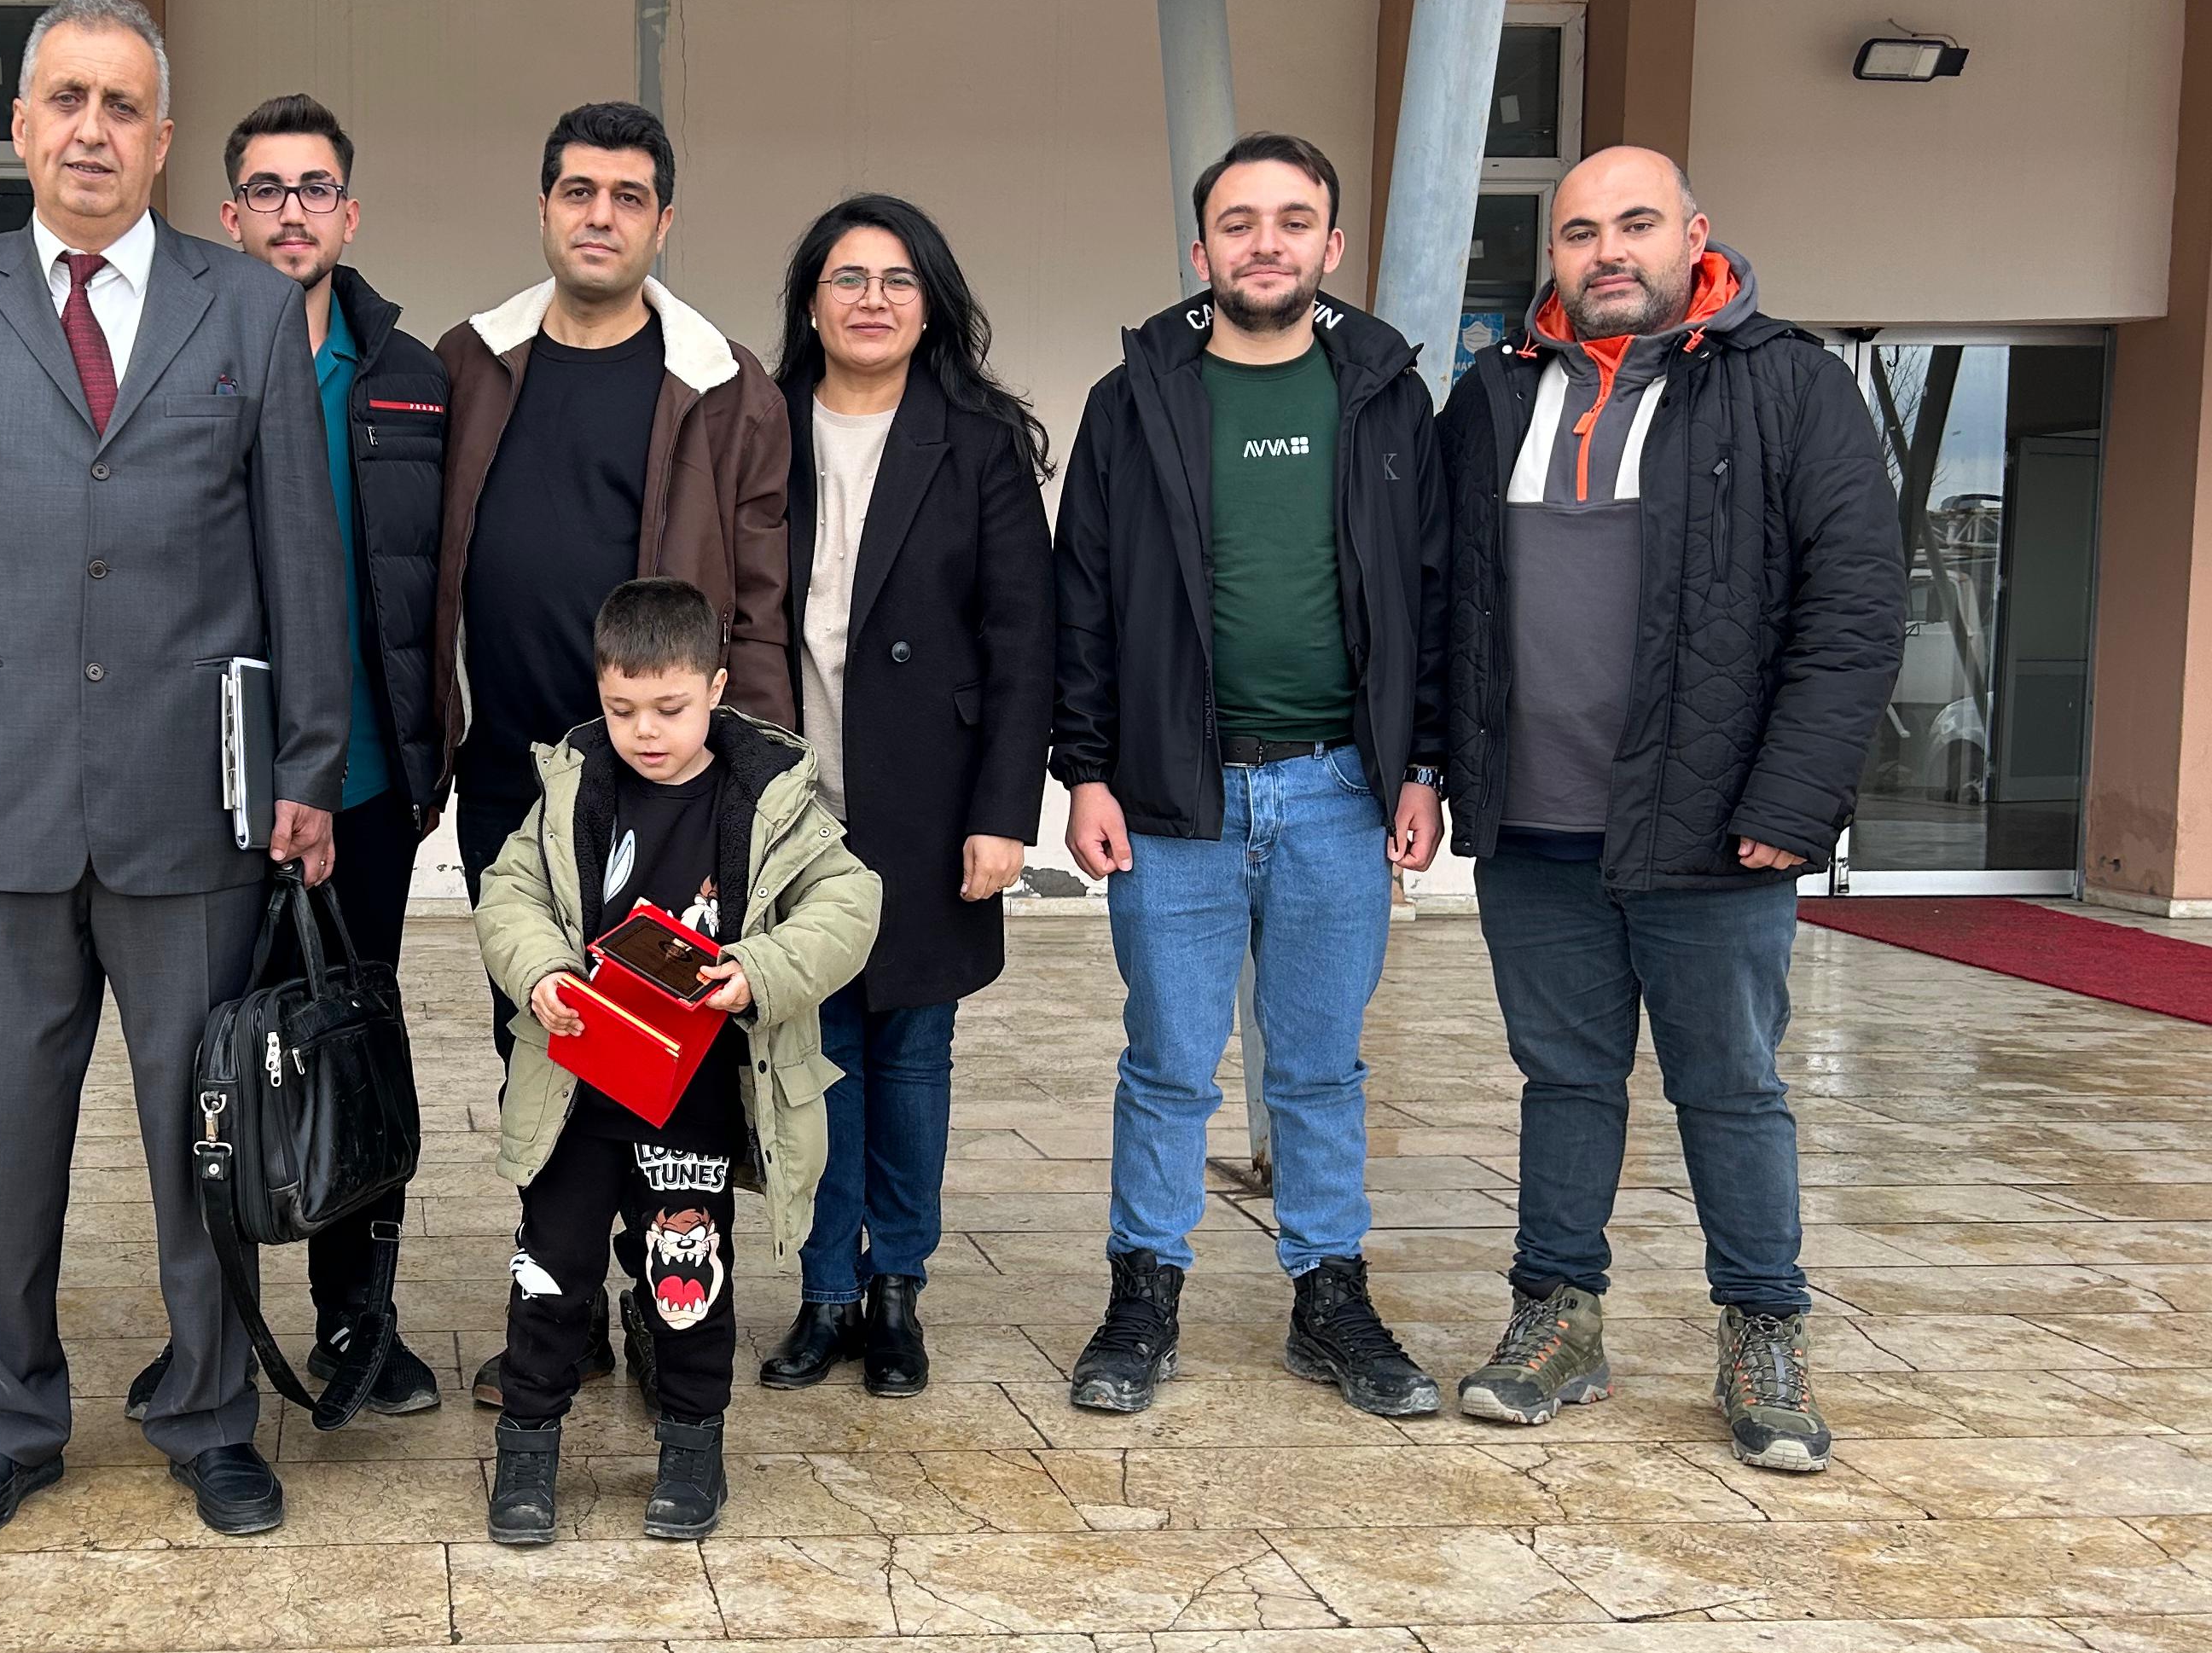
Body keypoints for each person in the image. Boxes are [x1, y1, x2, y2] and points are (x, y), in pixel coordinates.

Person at [0, 0, 349, 1545]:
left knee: (204, 1134)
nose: (90, 129)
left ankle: (210, 1413)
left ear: (162, 136)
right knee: (3, 1144)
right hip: (0, 794)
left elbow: (301, 556)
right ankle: (11, 1421)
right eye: (65, 99)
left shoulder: (246, 306)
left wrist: (309, 766)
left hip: (192, 805)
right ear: (20, 126)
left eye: (120, 104)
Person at [1439, 145, 1899, 1473]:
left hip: (1713, 826)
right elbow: (1442, 600)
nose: (1607, 253)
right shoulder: (1492, 395)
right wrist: (1438, 771)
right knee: (1563, 1080)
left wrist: (1794, 799)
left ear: (1693, 235)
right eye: (1580, 232)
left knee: (1731, 1089)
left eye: (1634, 224)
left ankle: (1764, 1332)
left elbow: (1854, 612)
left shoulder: (1790, 386)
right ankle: (1557, 1320)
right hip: (1535, 828)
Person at [1049, 132, 1450, 1420]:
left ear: (1332, 244)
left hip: (1340, 791)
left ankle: (1329, 1295)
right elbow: (1082, 598)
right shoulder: (1133, 400)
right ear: (1201, 248)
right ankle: (1144, 1293)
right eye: (1238, 221)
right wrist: (1085, 771)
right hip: (1176, 795)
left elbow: (1434, 594)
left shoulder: (1386, 396)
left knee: (1320, 1066)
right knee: (1169, 1060)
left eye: (1291, 220)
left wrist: (1423, 766)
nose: (1264, 242)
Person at [434, 98, 792, 1407]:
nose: (600, 215)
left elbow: (757, 605)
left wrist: (753, 788)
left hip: (666, 790)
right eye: (578, 191)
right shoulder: (472, 361)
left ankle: (662, 1303)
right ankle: (564, 1304)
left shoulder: (726, 386)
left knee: (665, 1056)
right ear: (543, 207)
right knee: (539, 1040)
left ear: (664, 220)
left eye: (628, 195)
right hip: (513, 790)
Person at [468, 578, 878, 1546]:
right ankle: (527, 1449)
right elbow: (508, 892)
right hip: (577, 1093)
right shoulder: (575, 789)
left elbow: (850, 903)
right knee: (548, 1275)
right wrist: (540, 973)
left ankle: (693, 1450)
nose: (645, 732)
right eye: (621, 710)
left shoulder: (768, 797)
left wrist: (757, 970)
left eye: (669, 708)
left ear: (716, 688)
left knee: (686, 1283)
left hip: (691, 1103)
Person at [179, 89, 451, 1418]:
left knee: (352, 1045)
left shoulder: (411, 375)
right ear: (229, 215)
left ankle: (359, 1322)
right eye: (267, 190)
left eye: (316, 188)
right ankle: (214, 1335)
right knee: (208, 1064)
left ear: (351, 213)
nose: (293, 211)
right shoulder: (181, 358)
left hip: (366, 783)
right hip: (206, 785)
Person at [761, 195, 1054, 1401]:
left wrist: (1004, 813)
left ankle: (896, 1289)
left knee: (913, 1053)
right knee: (812, 1054)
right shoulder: (758, 423)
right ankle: (825, 1290)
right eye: (848, 278)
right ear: (811, 302)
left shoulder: (977, 440)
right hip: (792, 807)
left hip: (933, 798)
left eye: (897, 279)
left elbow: (1024, 639)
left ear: (930, 303)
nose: (872, 300)